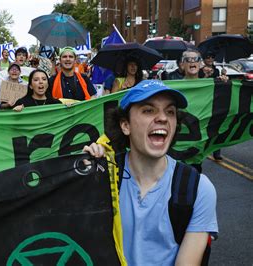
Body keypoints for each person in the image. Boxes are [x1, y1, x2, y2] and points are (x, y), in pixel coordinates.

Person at [83, 80, 218, 266]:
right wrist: (82, 176)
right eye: (148, 110)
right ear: (125, 126)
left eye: (170, 112)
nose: (163, 118)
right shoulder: (104, 176)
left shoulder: (198, 189)